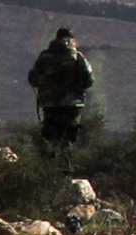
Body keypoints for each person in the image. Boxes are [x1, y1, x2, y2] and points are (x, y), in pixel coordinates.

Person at [27, 27, 94, 156]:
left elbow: (33, 80)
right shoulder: (77, 56)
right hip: (72, 104)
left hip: (50, 104)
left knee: (51, 137)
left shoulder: (44, 56)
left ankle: (50, 167)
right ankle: (68, 165)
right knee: (70, 137)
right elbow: (89, 80)